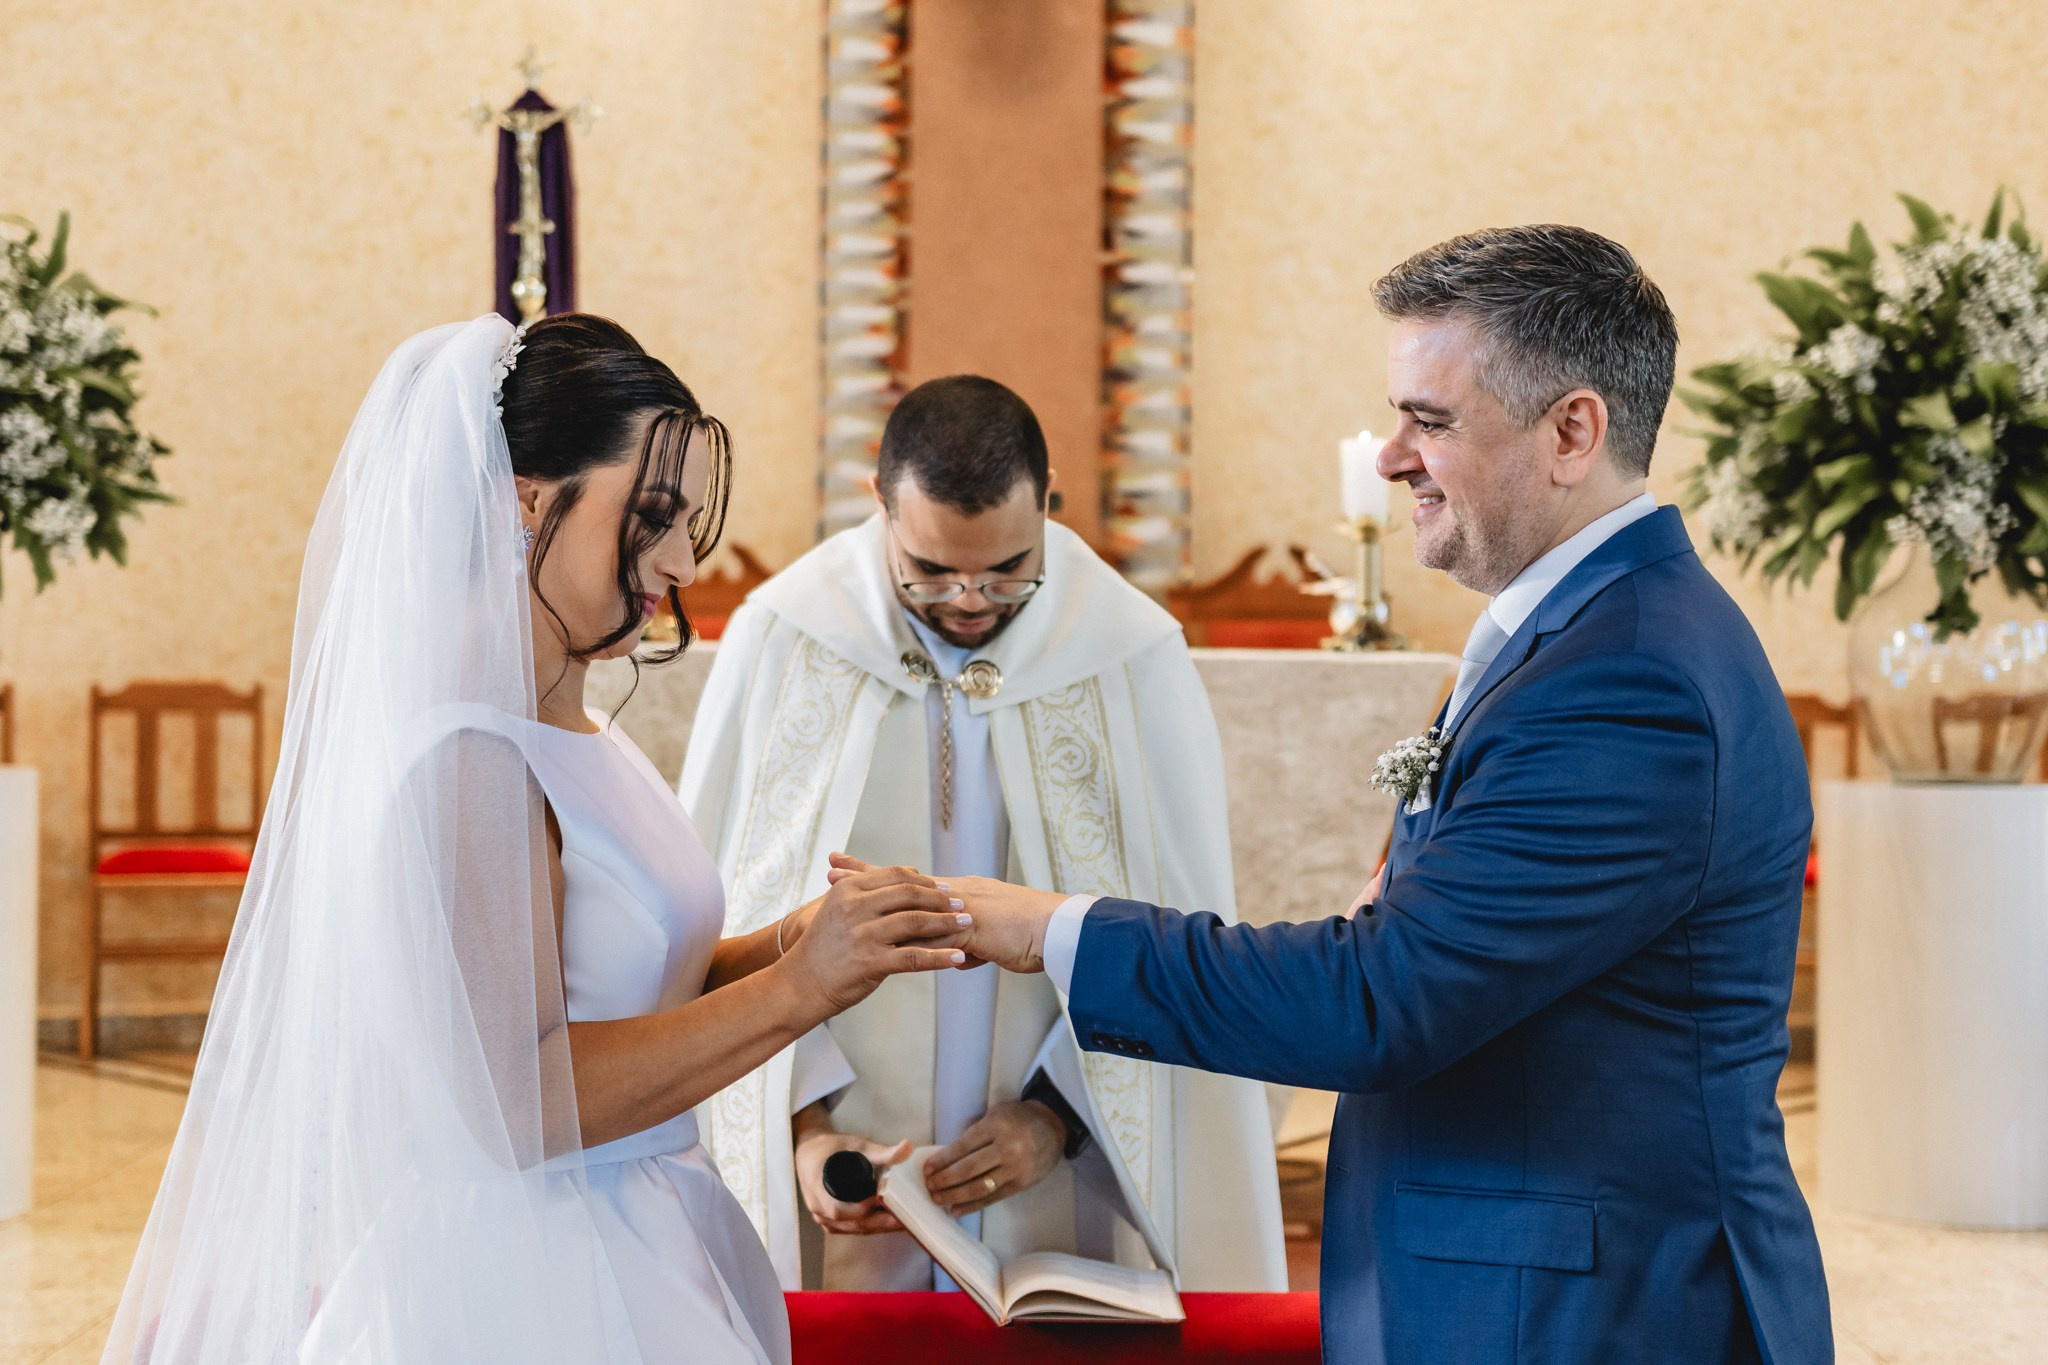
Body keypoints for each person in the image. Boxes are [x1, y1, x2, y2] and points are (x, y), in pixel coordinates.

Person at [925, 227, 1833, 1363]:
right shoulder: (1584, 634)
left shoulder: (1626, 677)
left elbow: (1379, 1003)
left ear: (1570, 431)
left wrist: (1044, 928)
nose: (1393, 456)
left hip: (1578, 1311)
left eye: (1431, 421)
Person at [103, 314, 969, 1365]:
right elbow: (512, 1103)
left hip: (646, 1220)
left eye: (686, 523)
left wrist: (817, 938)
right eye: (650, 516)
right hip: (537, 1272)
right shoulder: (468, 756)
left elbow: (637, 986)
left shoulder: (578, 721)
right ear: (523, 502)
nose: (681, 562)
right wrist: (800, 990)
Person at [680, 375, 1285, 1293]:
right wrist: (800, 1127)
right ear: (875, 506)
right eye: (931, 570)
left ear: (1047, 504)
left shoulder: (1127, 650)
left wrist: (1056, 1118)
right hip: (848, 1176)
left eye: (1007, 568)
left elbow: (1170, 919)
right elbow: (735, 902)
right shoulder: (788, 636)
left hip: (1061, 1184)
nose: (971, 600)